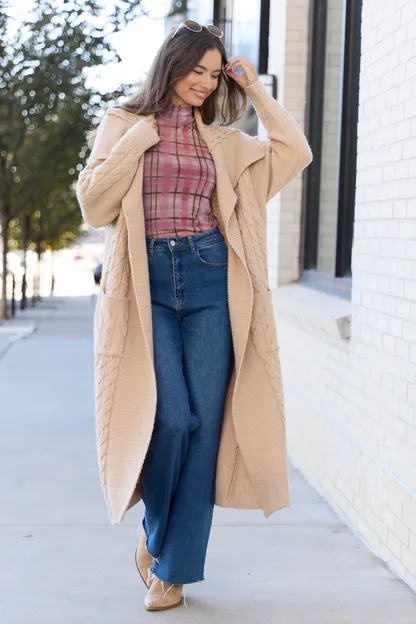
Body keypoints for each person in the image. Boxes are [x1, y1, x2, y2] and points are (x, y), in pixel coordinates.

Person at [76, 20, 312, 613]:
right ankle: (156, 536)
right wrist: (141, 138)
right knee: (172, 418)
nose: (205, 83)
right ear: (171, 65)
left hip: (212, 277)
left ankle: (173, 570)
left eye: (214, 73)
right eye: (196, 70)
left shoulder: (225, 141)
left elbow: (295, 151)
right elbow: (94, 205)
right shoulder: (124, 124)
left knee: (204, 428)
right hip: (146, 283)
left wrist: (254, 90)